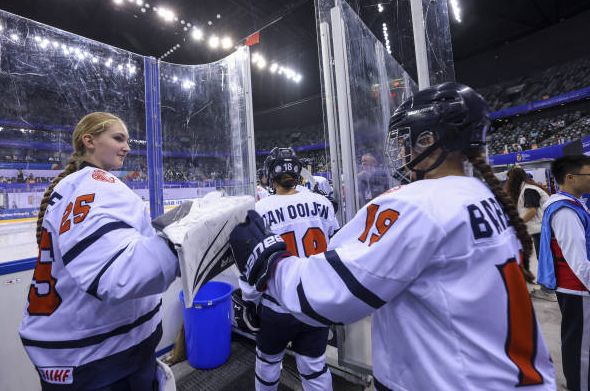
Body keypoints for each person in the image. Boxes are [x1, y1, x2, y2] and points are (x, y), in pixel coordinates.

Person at [230, 82, 556, 390]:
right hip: (510, 375)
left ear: (428, 141)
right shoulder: (487, 198)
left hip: (448, 379)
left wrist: (271, 265)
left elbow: (336, 290)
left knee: (269, 361)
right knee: (314, 366)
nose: (399, 152)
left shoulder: (416, 203)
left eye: (406, 141)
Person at [18, 112, 180, 390]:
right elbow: (116, 275)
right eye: (118, 138)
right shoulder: (95, 184)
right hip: (104, 359)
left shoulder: (71, 186)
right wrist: (182, 243)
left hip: (79, 354)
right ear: (89, 141)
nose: (127, 147)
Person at [241, 147, 339, 391]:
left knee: (267, 365)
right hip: (316, 302)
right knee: (315, 368)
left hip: (277, 306)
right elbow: (336, 248)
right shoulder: (323, 203)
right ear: (297, 173)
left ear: (270, 175)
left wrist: (250, 302)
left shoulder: (260, 210)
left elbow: (253, 268)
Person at [537, 154, 590, 391]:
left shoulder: (573, 204)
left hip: (578, 287)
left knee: (577, 341)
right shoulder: (565, 211)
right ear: (571, 178)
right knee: (581, 347)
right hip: (578, 287)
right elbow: (578, 261)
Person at [505, 166, 550, 284]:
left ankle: (548, 289)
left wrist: (517, 223)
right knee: (541, 259)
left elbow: (532, 211)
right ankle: (545, 286)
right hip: (538, 229)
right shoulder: (526, 189)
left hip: (541, 230)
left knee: (544, 260)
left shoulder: (529, 190)